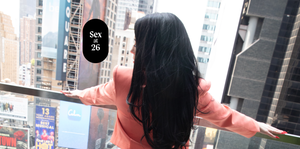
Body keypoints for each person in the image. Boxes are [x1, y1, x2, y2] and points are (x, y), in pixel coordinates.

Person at [62, 13, 286, 149]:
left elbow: (100, 93)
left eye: (138, 45)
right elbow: (224, 116)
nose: (132, 51)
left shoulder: (123, 79)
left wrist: (80, 94)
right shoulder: (190, 88)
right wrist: (255, 125)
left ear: (153, 51)